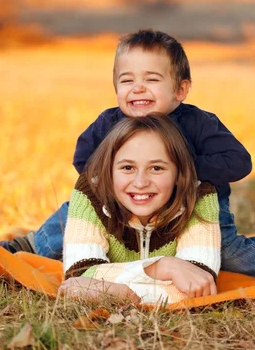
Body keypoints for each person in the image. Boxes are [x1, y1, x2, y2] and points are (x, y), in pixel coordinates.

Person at [0, 28, 255, 280]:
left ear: (180, 90)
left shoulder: (198, 123)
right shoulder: (110, 122)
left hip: (193, 213)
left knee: (227, 251)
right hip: (126, 208)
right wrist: (113, 182)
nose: (138, 87)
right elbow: (83, 159)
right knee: (74, 212)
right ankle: (26, 245)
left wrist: (184, 171)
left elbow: (238, 162)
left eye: (151, 79)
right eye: (127, 81)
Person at [60, 113, 220, 304]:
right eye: (128, 168)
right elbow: (80, 274)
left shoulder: (199, 197)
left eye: (156, 168)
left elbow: (197, 287)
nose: (141, 182)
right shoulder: (91, 192)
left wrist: (118, 293)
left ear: (179, 173)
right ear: (109, 171)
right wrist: (161, 267)